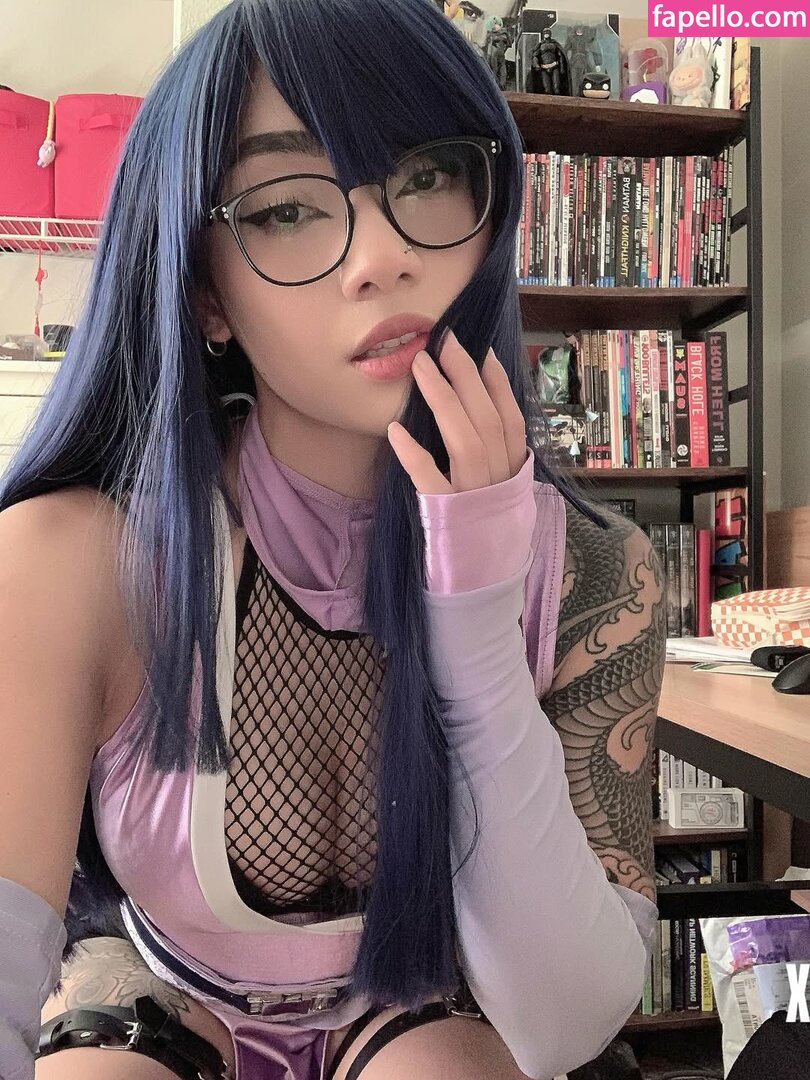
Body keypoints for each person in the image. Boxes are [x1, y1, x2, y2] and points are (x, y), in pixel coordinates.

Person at [0, 1, 664, 1078]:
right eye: (286, 208)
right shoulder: (75, 559)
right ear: (206, 294)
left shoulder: (593, 569)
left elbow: (568, 1020)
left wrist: (477, 631)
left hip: (431, 1013)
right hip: (170, 1002)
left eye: (425, 176)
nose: (382, 257)